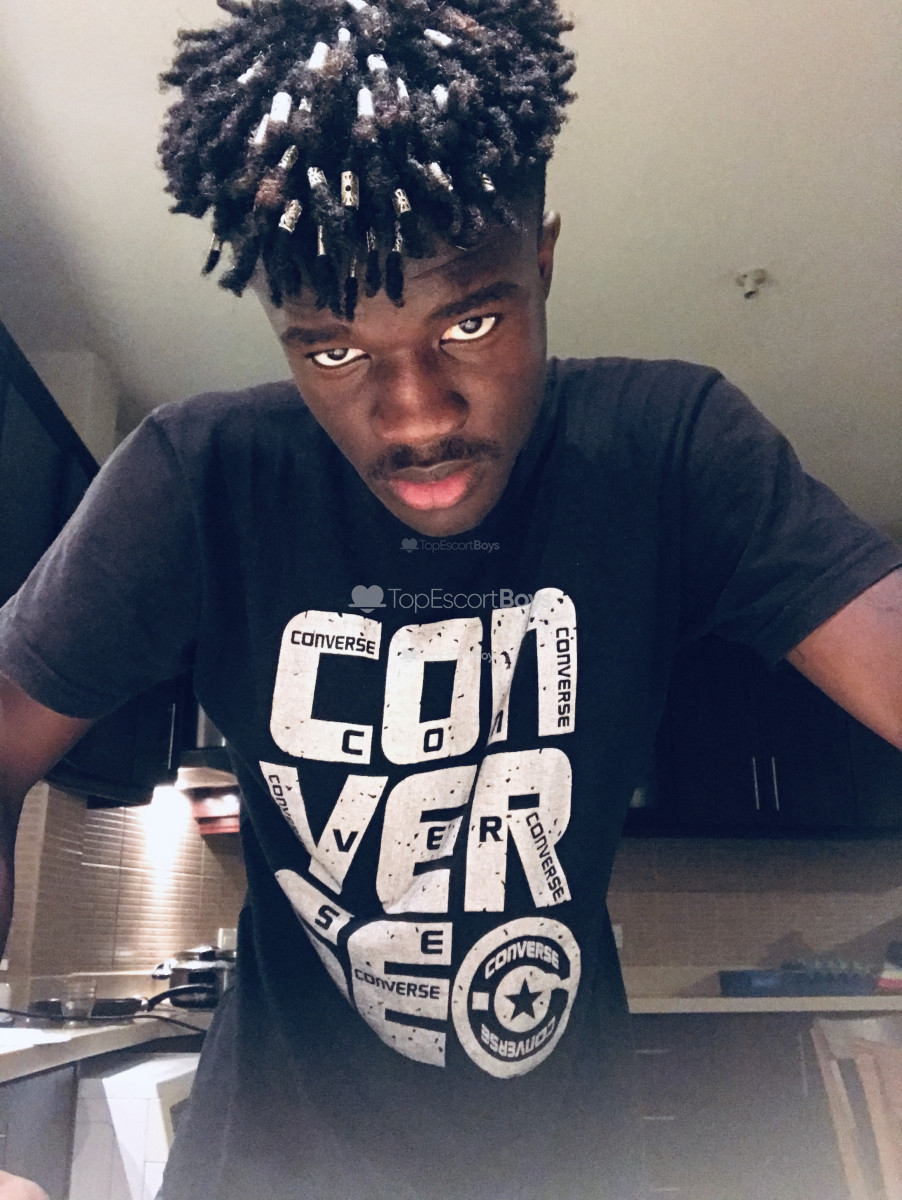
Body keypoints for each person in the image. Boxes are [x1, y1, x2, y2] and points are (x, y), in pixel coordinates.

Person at [0, 1, 900, 1197]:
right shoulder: (199, 480)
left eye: (469, 320)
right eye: (333, 350)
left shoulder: (667, 448)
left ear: (543, 262)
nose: (416, 416)